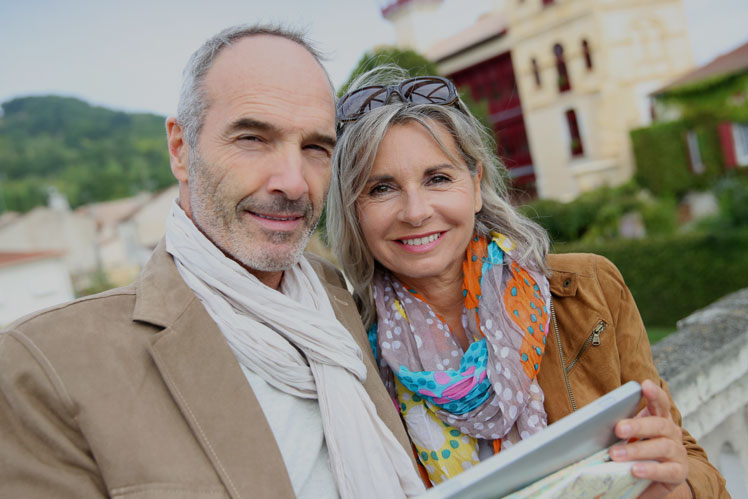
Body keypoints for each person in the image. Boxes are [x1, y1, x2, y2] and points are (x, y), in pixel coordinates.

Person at [0, 26, 426, 499]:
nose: (293, 182)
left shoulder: (337, 300)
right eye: (253, 138)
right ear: (180, 150)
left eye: (314, 148)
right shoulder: (47, 365)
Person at [326, 69, 728, 498]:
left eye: (437, 178)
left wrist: (669, 486)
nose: (416, 211)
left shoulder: (590, 290)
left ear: (475, 186)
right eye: (381, 188)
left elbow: (687, 461)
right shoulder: (344, 356)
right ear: (353, 210)